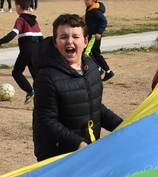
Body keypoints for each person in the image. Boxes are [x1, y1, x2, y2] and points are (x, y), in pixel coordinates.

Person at [32, 14, 123, 162]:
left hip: (87, 150)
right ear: (55, 42)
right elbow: (46, 120)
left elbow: (95, 106)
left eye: (75, 36)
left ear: (85, 41)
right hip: (58, 156)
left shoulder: (92, 68)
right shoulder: (46, 77)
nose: (69, 41)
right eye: (63, 37)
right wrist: (78, 144)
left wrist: (123, 126)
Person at [0, 0, 43, 105]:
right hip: (36, 50)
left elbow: (13, 34)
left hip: (26, 51)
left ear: (18, 6)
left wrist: (0, 42)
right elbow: (41, 38)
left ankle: (30, 91)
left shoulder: (21, 20)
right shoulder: (35, 21)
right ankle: (44, 95)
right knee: (36, 74)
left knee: (16, 72)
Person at [84, 0, 114, 81]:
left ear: (94, 0)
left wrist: (99, 32)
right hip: (91, 34)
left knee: (87, 53)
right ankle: (103, 70)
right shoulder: (90, 9)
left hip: (94, 35)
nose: (85, 1)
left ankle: (103, 70)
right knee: (94, 53)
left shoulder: (95, 11)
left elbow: (103, 21)